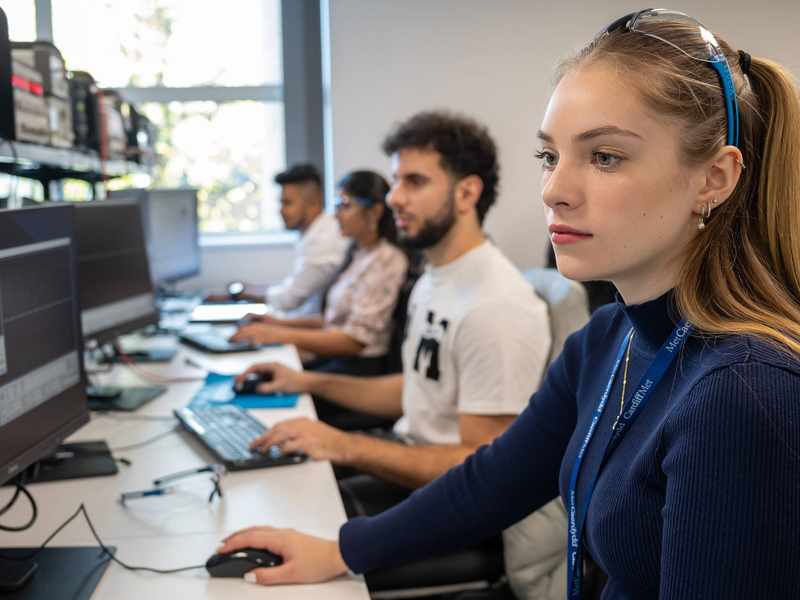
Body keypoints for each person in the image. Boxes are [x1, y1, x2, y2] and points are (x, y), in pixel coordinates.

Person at [217, 9, 800, 598]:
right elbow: (492, 482)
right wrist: (342, 548)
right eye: (551, 156)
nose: (555, 190)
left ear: (714, 179)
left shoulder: (743, 392)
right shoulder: (609, 339)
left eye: (604, 156)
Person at [233, 111, 564, 599]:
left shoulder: (497, 306)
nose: (394, 198)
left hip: (455, 514)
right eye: (393, 181)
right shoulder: (436, 278)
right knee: (273, 501)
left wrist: (345, 444)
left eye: (414, 181)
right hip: (408, 472)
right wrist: (307, 382)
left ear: (467, 193)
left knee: (274, 576)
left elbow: (483, 469)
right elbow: (417, 390)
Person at [230, 170, 408, 376]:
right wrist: (278, 324)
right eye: (337, 206)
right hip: (337, 360)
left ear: (375, 212)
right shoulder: (358, 253)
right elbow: (334, 321)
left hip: (358, 370)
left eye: (345, 205)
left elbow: (353, 341)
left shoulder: (386, 260)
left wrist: (276, 334)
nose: (336, 214)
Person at [209, 163, 348, 315]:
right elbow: (292, 288)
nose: (280, 210)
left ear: (314, 202)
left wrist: (245, 293)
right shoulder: (315, 233)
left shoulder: (324, 240)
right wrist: (248, 290)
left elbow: (289, 299)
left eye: (287, 203)